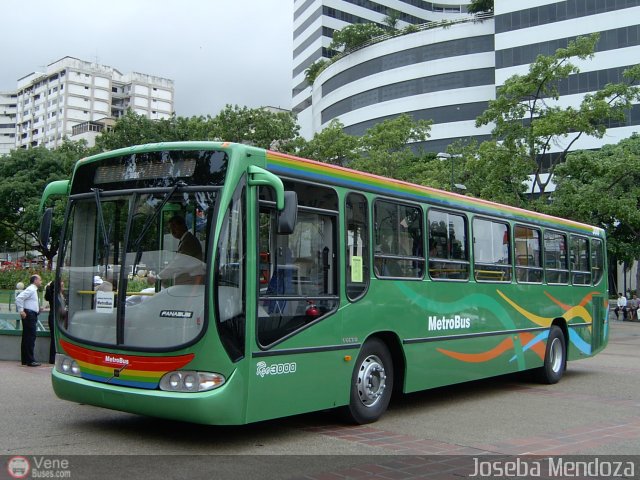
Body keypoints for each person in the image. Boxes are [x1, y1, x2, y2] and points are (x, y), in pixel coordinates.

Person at [153, 215, 204, 285]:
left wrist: (158, 277)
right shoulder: (186, 240)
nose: (172, 231)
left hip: (189, 285)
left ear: (182, 225)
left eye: (174, 227)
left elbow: (177, 263)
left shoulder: (188, 241)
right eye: (170, 229)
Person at [15, 274, 43, 367]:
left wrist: (38, 309)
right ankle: (30, 360)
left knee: (27, 336)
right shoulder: (31, 289)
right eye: (40, 280)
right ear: (35, 280)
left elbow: (29, 302)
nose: (41, 282)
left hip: (31, 313)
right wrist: (21, 310)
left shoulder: (33, 290)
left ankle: (26, 359)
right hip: (29, 314)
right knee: (31, 336)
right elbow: (19, 298)